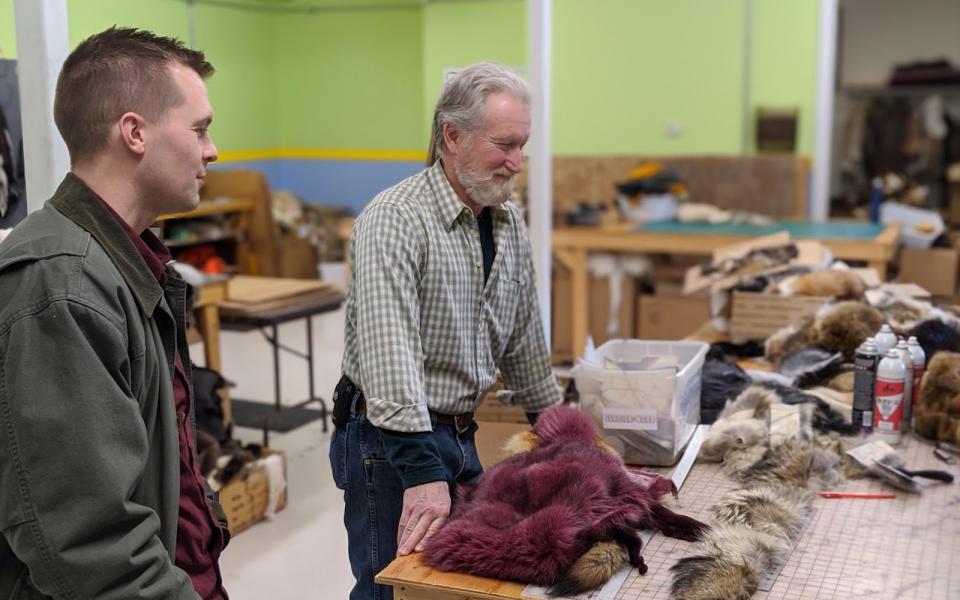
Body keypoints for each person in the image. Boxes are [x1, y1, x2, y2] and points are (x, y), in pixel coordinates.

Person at [0, 28, 229, 599]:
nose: (212, 150)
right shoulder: (63, 285)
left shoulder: (125, 261)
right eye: (199, 129)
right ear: (134, 132)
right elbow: (90, 544)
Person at [330, 62, 562, 600]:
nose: (517, 163)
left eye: (523, 146)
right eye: (504, 144)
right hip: (390, 443)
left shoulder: (506, 221)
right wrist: (420, 472)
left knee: (453, 586)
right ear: (451, 137)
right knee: (395, 589)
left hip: (459, 432)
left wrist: (559, 435)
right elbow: (390, 363)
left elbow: (526, 339)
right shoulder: (396, 219)